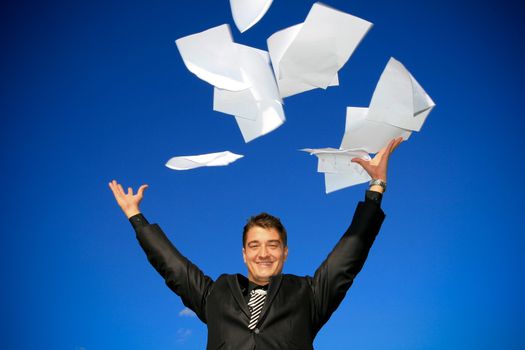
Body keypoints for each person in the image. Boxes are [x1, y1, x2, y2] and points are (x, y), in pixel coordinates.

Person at [109, 138, 402, 350]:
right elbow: (173, 266)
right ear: (244, 253)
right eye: (255, 245)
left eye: (273, 245)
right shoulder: (215, 294)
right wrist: (136, 216)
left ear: (285, 253)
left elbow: (348, 257)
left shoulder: (308, 295)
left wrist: (376, 188)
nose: (264, 253)